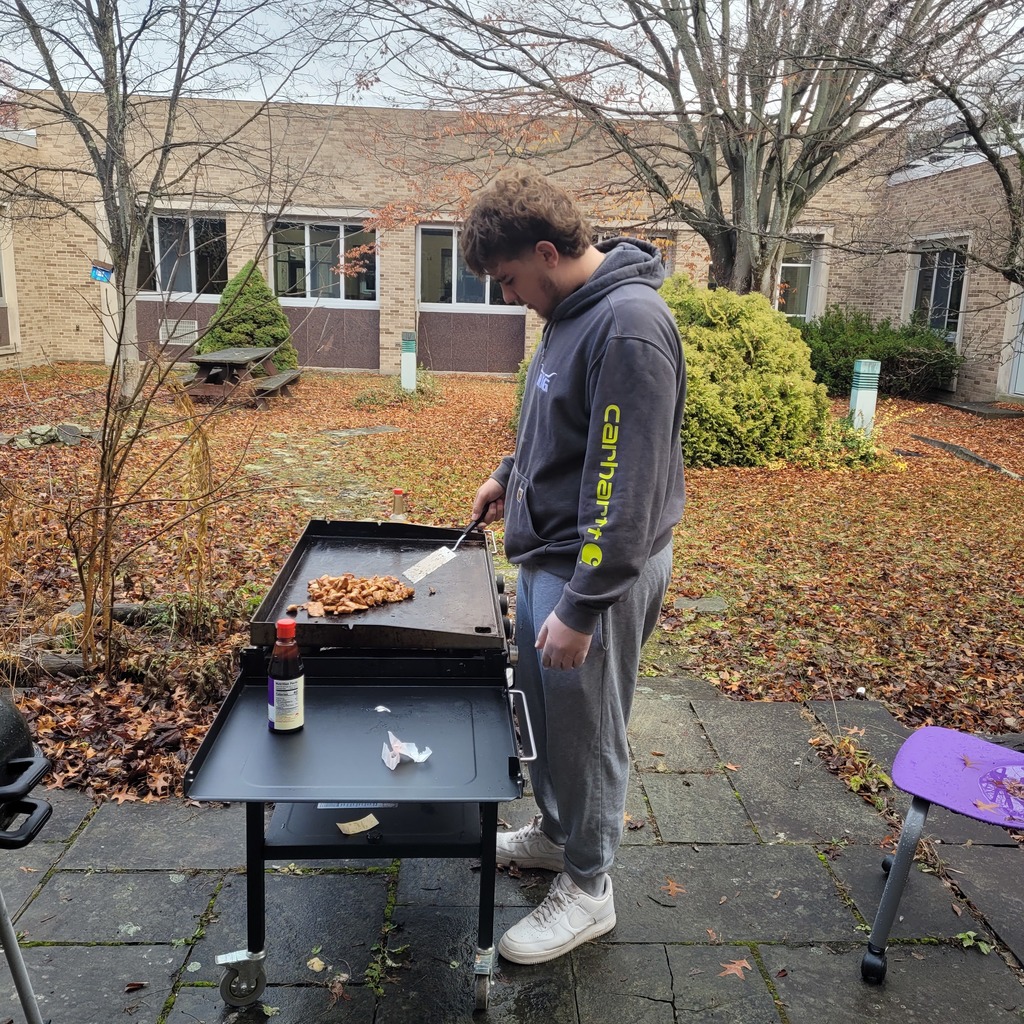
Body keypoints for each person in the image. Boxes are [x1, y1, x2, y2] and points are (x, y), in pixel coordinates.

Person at [463, 170, 687, 965]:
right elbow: (555, 421)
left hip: (595, 572)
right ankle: (558, 837)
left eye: (510, 280)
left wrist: (585, 606)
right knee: (546, 718)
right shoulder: (567, 313)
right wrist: (506, 472)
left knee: (588, 732)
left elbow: (624, 486)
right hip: (548, 555)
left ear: (549, 252)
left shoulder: (627, 327)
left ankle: (589, 888)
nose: (508, 296)